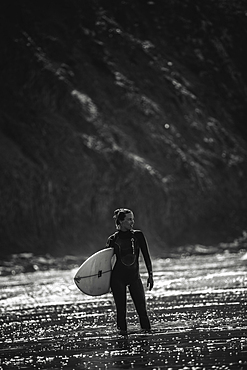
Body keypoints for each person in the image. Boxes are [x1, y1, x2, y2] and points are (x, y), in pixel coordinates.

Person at [106, 208, 154, 335]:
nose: (132, 222)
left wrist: (150, 274)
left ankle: (147, 337)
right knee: (121, 313)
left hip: (134, 277)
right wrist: (106, 283)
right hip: (117, 279)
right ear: (121, 221)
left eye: (133, 219)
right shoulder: (113, 240)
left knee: (142, 312)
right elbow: (106, 264)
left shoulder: (138, 236)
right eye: (129, 219)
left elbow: (146, 255)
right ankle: (122, 341)